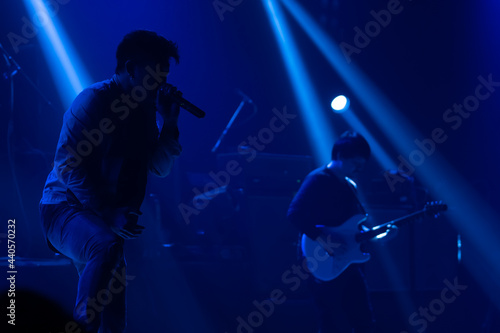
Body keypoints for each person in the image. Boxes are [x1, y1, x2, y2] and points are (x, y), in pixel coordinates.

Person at [39, 30, 182, 333]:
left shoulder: (145, 112)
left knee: (114, 312)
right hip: (64, 208)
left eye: (164, 76)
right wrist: (107, 211)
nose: (161, 84)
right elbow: (67, 164)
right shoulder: (95, 100)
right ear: (131, 69)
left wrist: (169, 123)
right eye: (155, 75)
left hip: (103, 219)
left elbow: (159, 167)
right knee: (106, 248)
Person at [287, 131, 376, 333]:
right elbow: (294, 213)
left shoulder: (350, 186)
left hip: (347, 258)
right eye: (356, 164)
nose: (359, 170)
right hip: (319, 256)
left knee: (363, 318)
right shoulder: (317, 179)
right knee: (330, 320)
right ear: (341, 156)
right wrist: (323, 239)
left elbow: (351, 224)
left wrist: (374, 234)